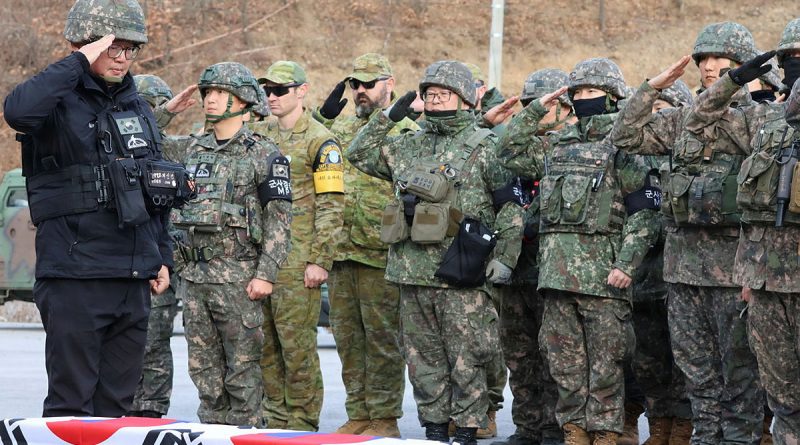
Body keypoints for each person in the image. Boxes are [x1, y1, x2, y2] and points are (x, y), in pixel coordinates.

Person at [3, 0, 174, 417]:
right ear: (86, 45)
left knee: (116, 406)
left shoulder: (137, 107)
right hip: (76, 276)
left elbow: (155, 189)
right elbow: (17, 112)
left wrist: (162, 257)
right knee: (71, 405)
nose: (123, 58)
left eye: (130, 49)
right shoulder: (55, 101)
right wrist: (78, 62)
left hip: (132, 276)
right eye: (112, 48)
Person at [346, 60, 522, 445]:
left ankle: (469, 428)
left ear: (462, 99)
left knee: (468, 357)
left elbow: (510, 206)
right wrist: (390, 116)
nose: (436, 101)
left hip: (462, 269)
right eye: (430, 95)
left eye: (444, 95)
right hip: (411, 270)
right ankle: (435, 427)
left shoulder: (487, 145)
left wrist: (506, 257)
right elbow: (358, 153)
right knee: (422, 360)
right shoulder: (408, 143)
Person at [609, 21, 766, 444]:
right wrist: (651, 88)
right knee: (697, 374)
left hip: (733, 272)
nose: (710, 67)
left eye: (722, 60)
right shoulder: (680, 122)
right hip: (683, 274)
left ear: (744, 68)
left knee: (740, 374)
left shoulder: (758, 121)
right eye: (704, 60)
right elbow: (623, 135)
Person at [497, 58, 661, 445]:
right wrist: (537, 108)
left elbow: (645, 213)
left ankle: (604, 432)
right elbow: (507, 150)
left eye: (593, 92)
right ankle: (574, 431)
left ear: (613, 97)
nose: (585, 98)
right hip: (555, 276)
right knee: (563, 362)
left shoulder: (625, 146)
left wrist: (626, 264)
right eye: (579, 92)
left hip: (604, 278)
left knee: (605, 364)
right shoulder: (558, 145)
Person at [680, 18, 800, 442]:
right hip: (769, 279)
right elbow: (699, 118)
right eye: (791, 59)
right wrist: (734, 82)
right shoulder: (763, 122)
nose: (797, 67)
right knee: (783, 395)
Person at [158, 61, 293, 427]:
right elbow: (142, 141)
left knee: (243, 374)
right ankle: (212, 433)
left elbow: (279, 220)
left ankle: (248, 433)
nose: (210, 99)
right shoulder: (191, 148)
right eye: (208, 92)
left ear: (244, 100)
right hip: (196, 278)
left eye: (220, 92)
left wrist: (266, 274)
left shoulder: (264, 153)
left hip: (239, 280)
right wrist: (167, 112)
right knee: (204, 374)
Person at [313, 53, 418, 438]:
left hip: (380, 249)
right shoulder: (339, 131)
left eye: (368, 84)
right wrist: (321, 117)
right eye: (354, 84)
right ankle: (358, 412)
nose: (359, 91)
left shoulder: (407, 130)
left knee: (383, 341)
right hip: (342, 250)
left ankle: (385, 417)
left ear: (388, 84)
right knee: (348, 340)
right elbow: (303, 147)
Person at [251, 60, 345, 431]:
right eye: (267, 91)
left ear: (301, 91)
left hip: (298, 258)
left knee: (296, 346)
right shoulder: (258, 134)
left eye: (280, 91)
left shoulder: (320, 141)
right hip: (260, 259)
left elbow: (331, 204)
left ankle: (302, 420)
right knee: (265, 345)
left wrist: (320, 259)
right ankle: (274, 416)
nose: (271, 97)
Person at [490, 68, 574, 445]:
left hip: (552, 269)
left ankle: (556, 427)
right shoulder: (522, 147)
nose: (534, 112)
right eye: (527, 106)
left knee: (555, 354)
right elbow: (503, 150)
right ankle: (527, 426)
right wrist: (531, 113)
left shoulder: (564, 146)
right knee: (519, 354)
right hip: (517, 268)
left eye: (542, 106)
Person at [624, 81, 694, 445]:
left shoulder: (690, 155)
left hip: (680, 272)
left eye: (666, 109)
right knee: (647, 359)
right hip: (642, 275)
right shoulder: (634, 158)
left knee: (682, 356)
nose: (658, 117)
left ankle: (682, 425)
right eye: (653, 111)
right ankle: (659, 422)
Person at [128, 74, 181, 419]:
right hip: (128, 255)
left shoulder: (175, 148)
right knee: (127, 340)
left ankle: (150, 410)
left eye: (147, 109)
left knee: (155, 342)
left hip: (161, 256)